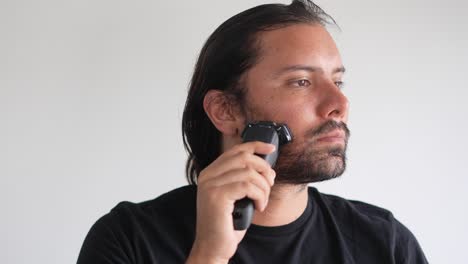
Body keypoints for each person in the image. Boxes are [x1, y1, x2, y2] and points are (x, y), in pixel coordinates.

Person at [77, 1, 428, 263]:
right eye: (301, 81)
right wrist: (209, 254)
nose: (339, 102)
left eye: (338, 80)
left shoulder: (386, 243)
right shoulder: (128, 240)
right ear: (225, 110)